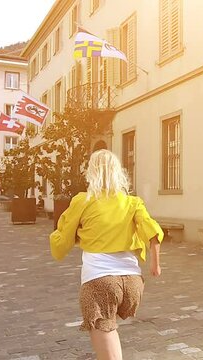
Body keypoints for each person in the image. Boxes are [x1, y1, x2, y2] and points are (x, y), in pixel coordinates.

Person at [49, 150, 164, 360]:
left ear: (92, 172)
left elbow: (63, 235)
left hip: (99, 281)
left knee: (105, 335)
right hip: (133, 283)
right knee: (111, 330)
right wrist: (155, 265)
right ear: (117, 172)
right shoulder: (132, 203)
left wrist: (71, 238)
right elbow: (153, 232)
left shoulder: (83, 201)